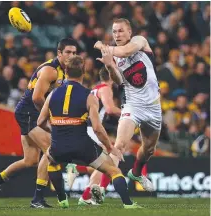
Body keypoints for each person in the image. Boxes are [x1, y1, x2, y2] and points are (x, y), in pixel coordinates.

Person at [37, 55, 142, 209]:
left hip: (58, 145)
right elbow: (97, 128)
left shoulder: (53, 94)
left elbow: (40, 121)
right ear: (84, 72)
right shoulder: (89, 96)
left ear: (65, 71)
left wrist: (56, 129)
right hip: (82, 145)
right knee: (113, 170)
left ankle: (62, 199)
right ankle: (128, 203)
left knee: (52, 162)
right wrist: (110, 147)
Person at [0, 38, 78, 208]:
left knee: (30, 160)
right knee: (51, 149)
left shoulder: (64, 71)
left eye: (74, 52)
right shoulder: (51, 70)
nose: (71, 56)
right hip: (30, 112)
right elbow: (36, 98)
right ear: (59, 53)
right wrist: (51, 115)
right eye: (68, 52)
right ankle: (37, 198)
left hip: (30, 113)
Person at [93, 18, 162, 198]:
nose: (117, 35)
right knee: (120, 145)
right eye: (114, 32)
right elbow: (118, 81)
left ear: (130, 32)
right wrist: (109, 65)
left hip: (153, 106)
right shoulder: (114, 55)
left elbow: (126, 52)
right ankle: (101, 190)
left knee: (148, 150)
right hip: (133, 105)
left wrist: (103, 46)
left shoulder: (140, 42)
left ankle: (136, 173)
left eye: (121, 31)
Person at [66, 67, 122, 205]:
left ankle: (85, 194)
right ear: (111, 76)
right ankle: (91, 192)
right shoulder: (106, 89)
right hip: (92, 128)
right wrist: (129, 114)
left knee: (100, 165)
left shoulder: (94, 88)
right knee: (109, 162)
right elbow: (109, 108)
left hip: (84, 127)